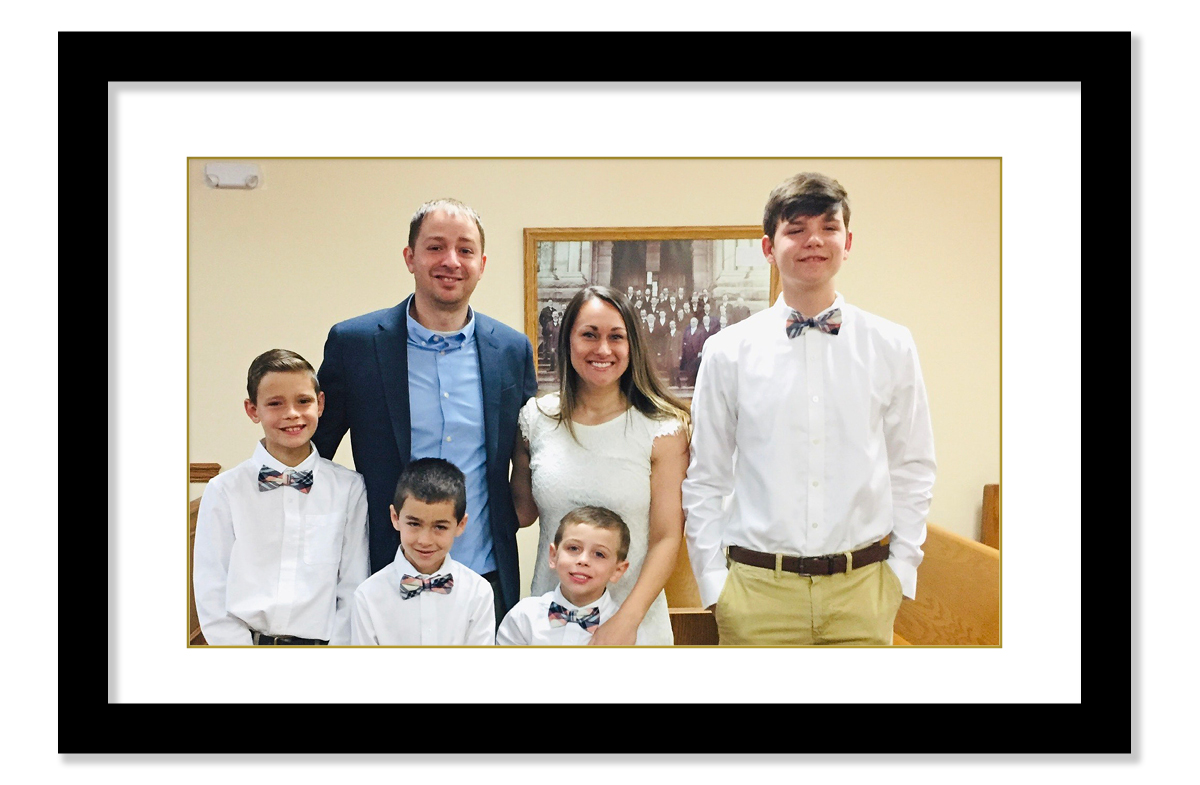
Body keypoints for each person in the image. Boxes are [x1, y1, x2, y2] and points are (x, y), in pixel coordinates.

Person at [682, 172, 937, 645]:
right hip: (755, 593)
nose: (813, 240)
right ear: (768, 246)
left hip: (863, 591)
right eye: (795, 229)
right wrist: (715, 584)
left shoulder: (891, 344)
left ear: (848, 241)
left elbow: (913, 465)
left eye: (828, 227)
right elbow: (706, 477)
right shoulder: (727, 351)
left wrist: (901, 569)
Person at [313, 198, 538, 625]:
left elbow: (528, 450)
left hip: (484, 575)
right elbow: (314, 453)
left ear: (482, 263)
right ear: (410, 258)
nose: (451, 261)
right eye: (435, 247)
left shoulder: (511, 350)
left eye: (465, 250)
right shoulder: (355, 345)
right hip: (383, 575)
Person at [510, 285, 690, 645]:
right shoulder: (536, 419)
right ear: (568, 342)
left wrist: (627, 621)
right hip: (548, 624)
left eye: (616, 337)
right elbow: (519, 512)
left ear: (632, 346)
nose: (603, 349)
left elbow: (667, 538)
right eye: (589, 335)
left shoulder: (662, 428)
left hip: (633, 622)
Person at [193, 349, 370, 645]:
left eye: (303, 401)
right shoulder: (225, 490)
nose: (291, 413)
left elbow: (353, 584)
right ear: (253, 410)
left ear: (321, 404)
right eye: (275, 404)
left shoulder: (349, 488)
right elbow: (212, 586)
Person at [350, 458, 496, 645]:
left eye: (440, 527)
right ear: (395, 518)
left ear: (461, 525)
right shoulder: (368, 596)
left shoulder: (478, 592)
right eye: (414, 524)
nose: (425, 540)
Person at [496, 506, 634, 645]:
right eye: (573, 548)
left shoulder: (625, 630)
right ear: (553, 555)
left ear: (618, 570)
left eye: (599, 554)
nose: (583, 560)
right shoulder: (524, 616)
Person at [680, 315, 704, 386]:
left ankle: (694, 382)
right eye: (691, 322)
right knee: (688, 367)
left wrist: (700, 351)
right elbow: (684, 341)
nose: (692, 323)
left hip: (696, 352)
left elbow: (701, 342)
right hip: (688, 353)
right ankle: (689, 381)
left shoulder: (700, 332)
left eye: (693, 322)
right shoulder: (687, 331)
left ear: (696, 323)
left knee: (695, 367)